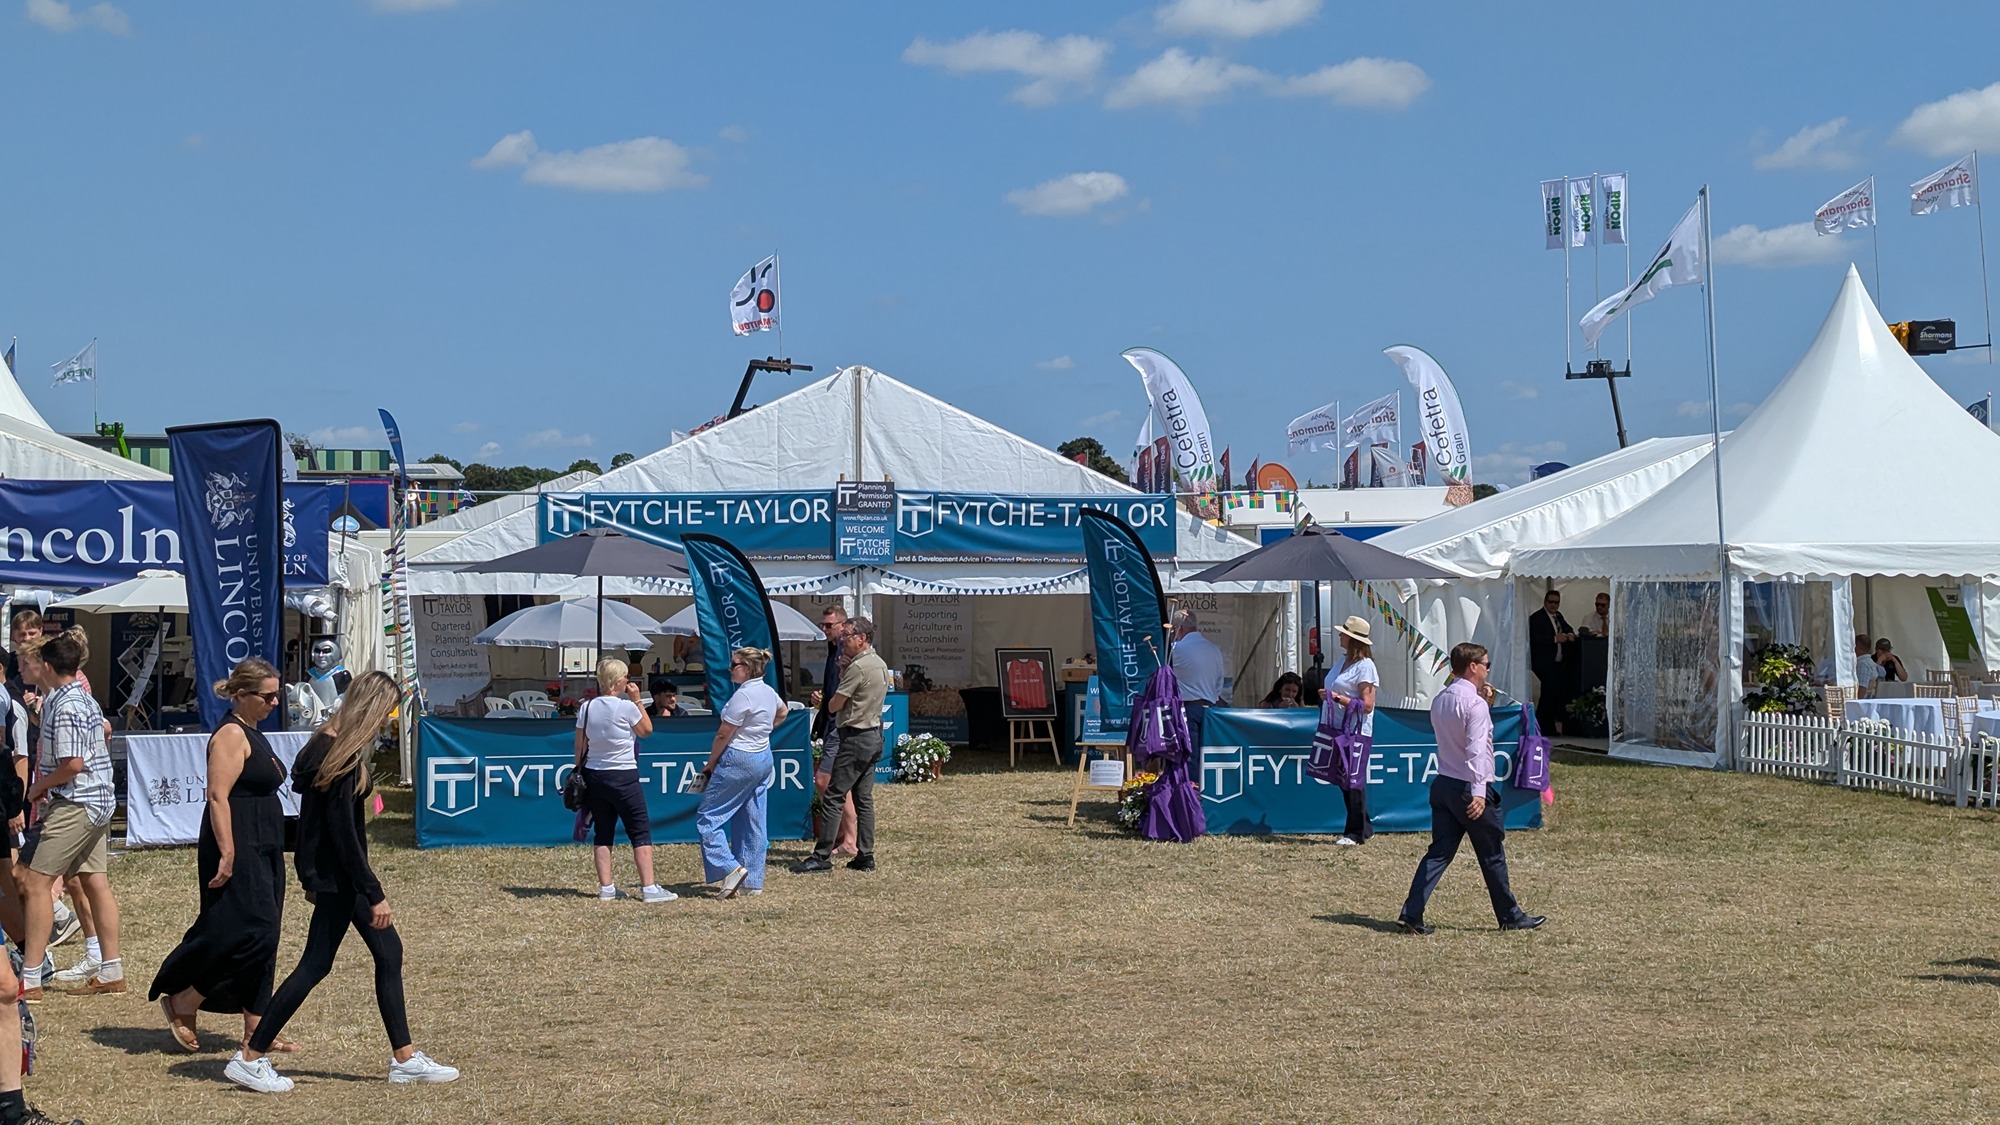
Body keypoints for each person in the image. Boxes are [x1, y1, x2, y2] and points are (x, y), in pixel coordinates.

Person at [226, 671, 458, 1093]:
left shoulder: (322, 745)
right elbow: (344, 836)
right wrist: (375, 893)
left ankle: (404, 1057)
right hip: (339, 877)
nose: (387, 720)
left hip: (333, 873)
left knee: (387, 952)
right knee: (315, 965)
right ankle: (251, 1056)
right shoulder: (341, 758)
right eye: (386, 711)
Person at [150, 659, 297, 1054]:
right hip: (237, 842)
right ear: (241, 695)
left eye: (276, 693)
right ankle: (185, 998)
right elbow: (217, 796)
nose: (274, 701)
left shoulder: (254, 731)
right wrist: (228, 852)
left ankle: (257, 1025)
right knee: (242, 931)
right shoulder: (231, 735)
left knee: (268, 934)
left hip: (264, 843)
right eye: (267, 695)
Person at [1398, 642, 1546, 935]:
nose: (1488, 670)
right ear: (1473, 667)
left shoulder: (1441, 698)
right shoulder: (1474, 704)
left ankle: (1412, 912)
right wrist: (1479, 791)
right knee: (1492, 854)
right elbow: (1478, 749)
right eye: (1486, 664)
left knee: (1439, 853)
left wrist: (1485, 703)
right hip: (1468, 785)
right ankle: (1510, 916)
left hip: (1445, 783)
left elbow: (1460, 735)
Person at [15, 632, 123, 1001]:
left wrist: (38, 786)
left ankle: (30, 977)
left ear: (46, 665)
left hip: (76, 802)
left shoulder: (66, 705)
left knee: (34, 883)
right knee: (94, 881)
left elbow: (72, 764)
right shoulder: (75, 699)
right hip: (94, 800)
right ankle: (111, 967)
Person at [793, 616, 891, 874]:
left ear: (862, 638)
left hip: (855, 736)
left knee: (835, 795)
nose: (843, 641)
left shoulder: (857, 668)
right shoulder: (879, 664)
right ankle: (865, 854)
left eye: (848, 636)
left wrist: (841, 677)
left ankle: (822, 856)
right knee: (863, 798)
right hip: (873, 734)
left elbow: (834, 705)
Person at [573, 659, 671, 903]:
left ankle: (606, 887)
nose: (630, 682)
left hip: (595, 773)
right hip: (624, 773)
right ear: (618, 682)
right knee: (639, 830)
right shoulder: (626, 707)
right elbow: (646, 731)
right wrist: (637, 700)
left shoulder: (587, 707)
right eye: (626, 678)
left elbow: (580, 744)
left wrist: (579, 770)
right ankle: (649, 887)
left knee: (602, 831)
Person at [695, 647, 779, 898]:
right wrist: (761, 732)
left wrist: (711, 764)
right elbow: (783, 711)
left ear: (749, 668)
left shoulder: (744, 696)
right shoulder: (768, 692)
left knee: (707, 818)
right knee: (753, 818)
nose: (730, 669)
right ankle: (752, 882)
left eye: (735, 665)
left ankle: (730, 868)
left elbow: (724, 733)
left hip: (739, 757)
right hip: (763, 757)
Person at [1322, 617, 1379, 847]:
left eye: (1343, 633)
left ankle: (1355, 832)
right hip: (1338, 726)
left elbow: (1367, 704)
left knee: (1353, 779)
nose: (1339, 636)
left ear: (1353, 639)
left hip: (1355, 729)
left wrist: (1338, 698)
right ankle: (1364, 827)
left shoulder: (1365, 666)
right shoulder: (1342, 661)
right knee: (1344, 778)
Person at [811, 605, 858, 860]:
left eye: (829, 625)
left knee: (828, 781)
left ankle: (849, 838)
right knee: (831, 782)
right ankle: (845, 835)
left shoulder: (846, 651)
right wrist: (823, 696)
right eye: (823, 625)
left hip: (841, 724)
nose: (824, 629)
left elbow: (850, 688)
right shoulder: (833, 649)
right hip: (831, 721)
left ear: (843, 625)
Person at [1170, 608, 1227, 752]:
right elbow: (1219, 684)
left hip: (1188, 708)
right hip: (1210, 709)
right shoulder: (1214, 649)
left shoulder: (1175, 649)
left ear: (1179, 629)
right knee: (1207, 755)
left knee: (1190, 756)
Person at [1527, 589, 1579, 735]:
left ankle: (1547, 725)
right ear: (1545, 601)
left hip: (1557, 662)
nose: (1554, 605)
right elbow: (1534, 639)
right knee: (1549, 692)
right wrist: (1555, 639)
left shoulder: (1558, 616)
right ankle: (1542, 725)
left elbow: (1568, 628)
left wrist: (1569, 635)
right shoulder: (1537, 618)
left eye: (1557, 603)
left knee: (1554, 694)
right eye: (1551, 602)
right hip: (1543, 662)